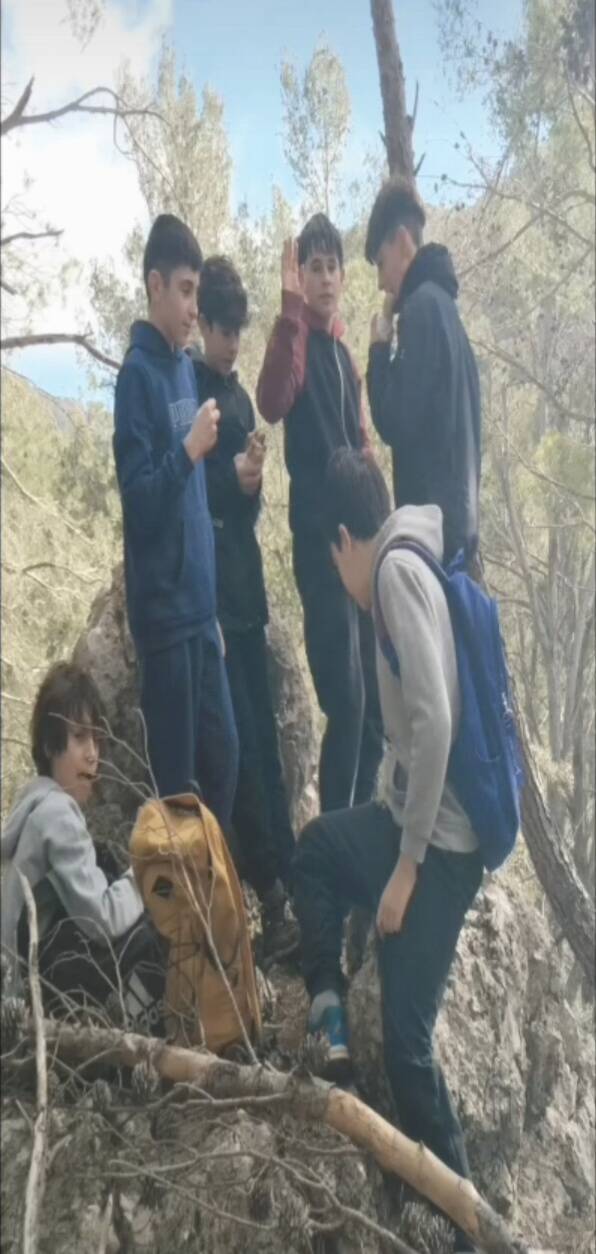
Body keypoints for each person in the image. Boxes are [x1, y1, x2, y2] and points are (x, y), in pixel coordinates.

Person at [293, 449, 483, 1254]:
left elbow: (434, 722)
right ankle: (328, 1016)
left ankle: (471, 1229)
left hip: (442, 851)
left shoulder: (397, 576)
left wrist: (403, 868)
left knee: (406, 1049)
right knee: (317, 850)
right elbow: (410, 737)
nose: (339, 577)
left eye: (332, 560)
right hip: (413, 823)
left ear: (344, 541)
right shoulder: (406, 562)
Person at [113, 214, 239, 830]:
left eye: (197, 293)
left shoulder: (187, 368)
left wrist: (211, 609)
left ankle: (215, 884)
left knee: (225, 761)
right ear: (155, 285)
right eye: (185, 291)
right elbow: (139, 502)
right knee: (178, 793)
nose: (194, 308)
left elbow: (195, 499)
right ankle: (184, 897)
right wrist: (188, 450)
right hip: (163, 622)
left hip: (200, 615)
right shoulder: (135, 377)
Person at [189, 255, 298, 958]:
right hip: (210, 596)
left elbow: (243, 510)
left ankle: (286, 879)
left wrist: (250, 481)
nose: (231, 342)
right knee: (237, 751)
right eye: (222, 329)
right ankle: (265, 896)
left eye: (238, 330)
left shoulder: (240, 402)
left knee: (265, 740)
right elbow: (188, 496)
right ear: (202, 322)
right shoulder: (188, 389)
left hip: (247, 590)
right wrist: (229, 480)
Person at [257, 214, 383, 812]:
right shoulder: (298, 339)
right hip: (319, 549)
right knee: (348, 701)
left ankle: (361, 826)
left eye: (334, 267)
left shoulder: (343, 352)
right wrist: (288, 316)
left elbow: (362, 441)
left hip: (360, 546)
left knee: (376, 705)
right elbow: (272, 400)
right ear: (301, 277)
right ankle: (335, 833)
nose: (326, 278)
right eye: (315, 267)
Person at [1, 663, 165, 1031]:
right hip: (38, 998)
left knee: (106, 865)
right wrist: (143, 869)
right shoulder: (56, 814)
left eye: (97, 740)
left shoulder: (34, 805)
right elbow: (102, 921)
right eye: (79, 738)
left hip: (20, 992)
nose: (93, 754)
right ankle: (140, 1038)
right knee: (156, 929)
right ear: (50, 746)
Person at [365, 177, 481, 567]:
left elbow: (394, 420)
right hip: (459, 527)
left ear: (402, 241)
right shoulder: (446, 309)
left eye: (381, 264)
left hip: (434, 537)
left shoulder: (420, 310)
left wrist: (379, 349)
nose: (381, 282)